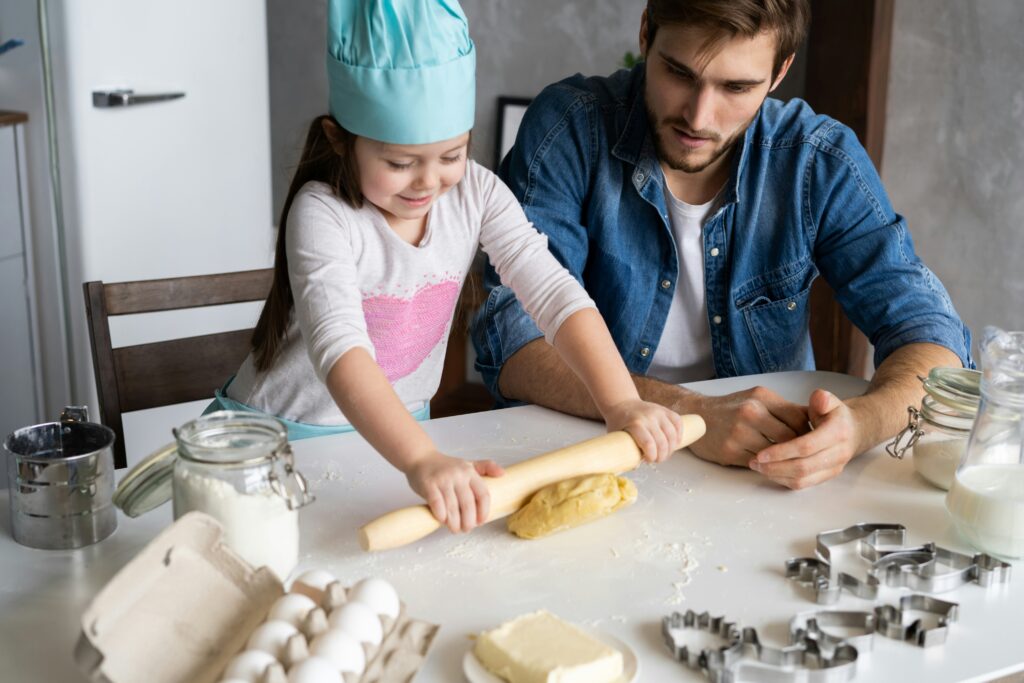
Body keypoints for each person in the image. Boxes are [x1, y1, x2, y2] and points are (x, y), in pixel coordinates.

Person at [211, 0, 686, 534]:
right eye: (398, 163)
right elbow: (340, 350)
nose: (428, 183)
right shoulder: (323, 215)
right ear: (341, 138)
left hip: (396, 439)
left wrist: (622, 403)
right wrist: (421, 459)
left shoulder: (477, 192)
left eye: (450, 154)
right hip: (276, 446)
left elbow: (554, 292)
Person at [472, 0, 973, 490]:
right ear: (646, 33)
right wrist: (691, 414)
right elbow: (514, 344)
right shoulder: (569, 129)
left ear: (779, 73)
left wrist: (861, 426)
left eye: (737, 87)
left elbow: (933, 338)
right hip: (587, 450)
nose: (699, 116)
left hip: (757, 478)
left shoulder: (818, 161)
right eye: (679, 73)